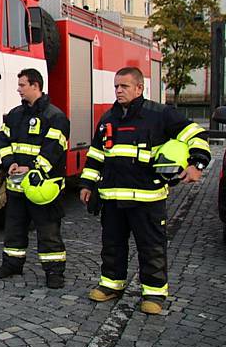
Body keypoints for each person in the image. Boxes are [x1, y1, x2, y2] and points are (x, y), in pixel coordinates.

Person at [80, 66, 210, 315]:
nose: (119, 90)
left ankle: (153, 293)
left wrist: (197, 164)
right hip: (113, 199)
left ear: (139, 88)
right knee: (112, 245)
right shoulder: (108, 119)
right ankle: (111, 285)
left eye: (124, 86)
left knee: (151, 247)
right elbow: (96, 155)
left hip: (147, 199)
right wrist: (87, 184)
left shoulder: (160, 114)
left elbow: (196, 134)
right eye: (116, 86)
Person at [0, 68, 70, 288]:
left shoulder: (55, 116)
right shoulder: (15, 114)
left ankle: (54, 272)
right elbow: (3, 139)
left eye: (22, 85)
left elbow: (55, 149)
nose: (18, 89)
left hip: (42, 188)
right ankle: (12, 264)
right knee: (14, 229)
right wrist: (10, 164)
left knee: (48, 231)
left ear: (35, 86)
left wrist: (33, 169)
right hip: (17, 188)